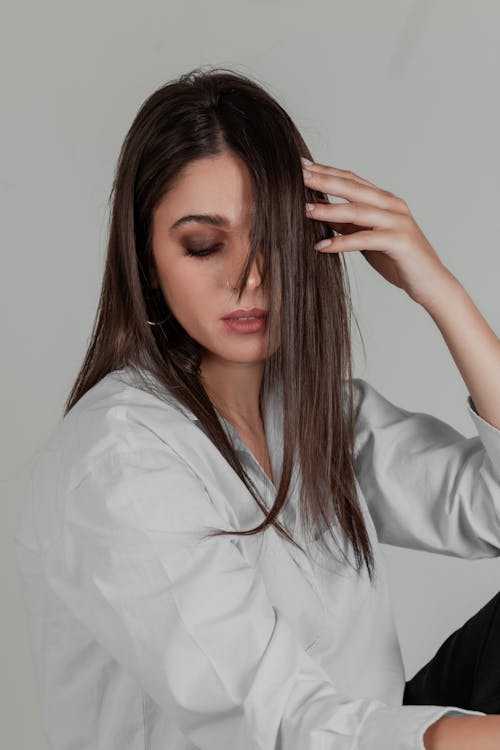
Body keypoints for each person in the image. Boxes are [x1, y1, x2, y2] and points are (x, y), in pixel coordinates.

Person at [14, 66, 500, 750]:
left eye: (273, 237)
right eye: (204, 245)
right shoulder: (120, 461)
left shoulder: (314, 412)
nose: (248, 277)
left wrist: (439, 289)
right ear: (147, 259)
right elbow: (277, 727)